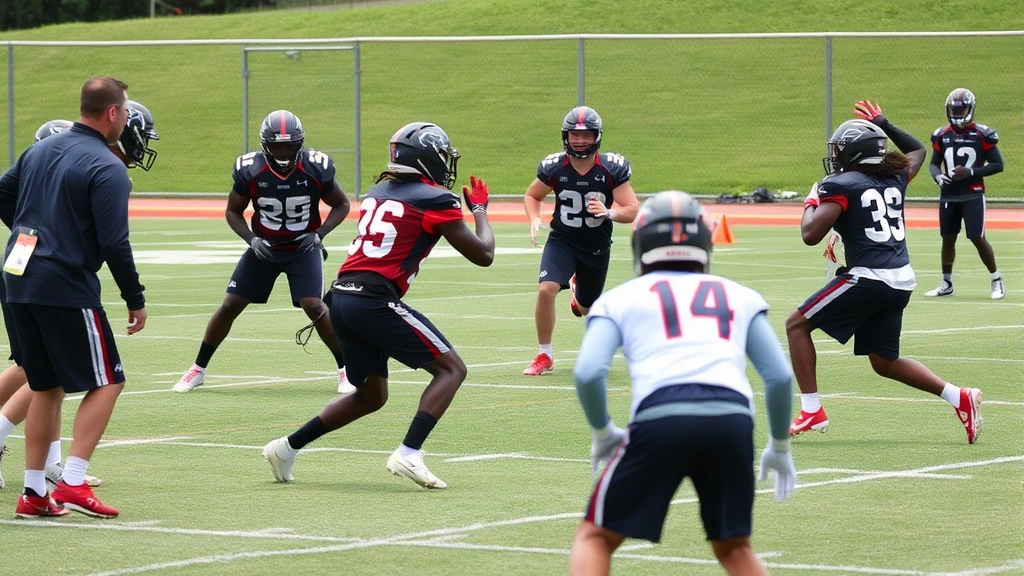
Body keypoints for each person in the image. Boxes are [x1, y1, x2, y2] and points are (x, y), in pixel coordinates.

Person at [568, 191, 796, 576]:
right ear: (704, 241)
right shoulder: (738, 295)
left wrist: (603, 431)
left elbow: (589, 371)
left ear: (640, 241)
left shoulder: (619, 298)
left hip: (662, 416)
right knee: (735, 548)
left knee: (596, 537)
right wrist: (779, 444)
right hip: (732, 420)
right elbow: (778, 376)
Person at [262, 121, 494, 489]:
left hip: (339, 299)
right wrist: (480, 209)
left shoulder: (379, 191)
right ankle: (409, 452)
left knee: (371, 394)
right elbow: (484, 255)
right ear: (428, 157)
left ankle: (286, 447)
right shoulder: (435, 199)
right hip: (371, 299)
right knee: (452, 370)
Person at [786, 100, 982, 444]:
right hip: (900, 280)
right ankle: (958, 395)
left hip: (869, 278)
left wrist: (810, 201)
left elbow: (809, 235)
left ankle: (811, 409)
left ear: (854, 152)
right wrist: (884, 123)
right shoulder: (894, 176)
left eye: (839, 150)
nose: (835, 156)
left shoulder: (841, 185)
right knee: (883, 361)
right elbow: (918, 150)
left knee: (796, 325)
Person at [0, 76, 147, 518]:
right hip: (62, 283)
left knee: (45, 384)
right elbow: (115, 243)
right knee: (110, 380)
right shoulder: (107, 165)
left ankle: (33, 493)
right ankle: (73, 482)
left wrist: (34, 233)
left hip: (17, 275)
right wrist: (134, 298)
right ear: (113, 113)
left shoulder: (41, 148)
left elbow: (3, 193)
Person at [172, 110, 353, 395]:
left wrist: (319, 234)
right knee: (230, 304)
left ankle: (346, 370)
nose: (284, 152)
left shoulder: (316, 168)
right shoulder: (251, 169)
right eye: (278, 146)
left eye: (289, 145)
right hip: (264, 248)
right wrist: (251, 239)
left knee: (314, 306)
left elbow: (342, 204)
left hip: (302, 248)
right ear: (265, 145)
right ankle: (198, 369)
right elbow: (232, 210)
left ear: (300, 143)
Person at [523, 106, 639, 376]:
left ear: (597, 137)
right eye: (575, 135)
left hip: (596, 245)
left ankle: (578, 298)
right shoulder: (554, 166)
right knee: (546, 289)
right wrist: (533, 218)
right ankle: (545, 354)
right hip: (562, 239)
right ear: (566, 136)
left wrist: (610, 212)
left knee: (587, 308)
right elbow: (532, 196)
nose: (580, 140)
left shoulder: (610, 168)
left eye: (586, 135)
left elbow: (632, 208)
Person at [925, 88, 1005, 300]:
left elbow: (998, 165)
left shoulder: (982, 134)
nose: (958, 113)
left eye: (962, 109)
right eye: (954, 109)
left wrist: (971, 172)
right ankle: (946, 282)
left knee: (977, 236)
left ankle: (996, 279)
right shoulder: (942, 135)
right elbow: (934, 164)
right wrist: (937, 176)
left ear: (971, 109)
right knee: (947, 239)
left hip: (973, 194)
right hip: (949, 195)